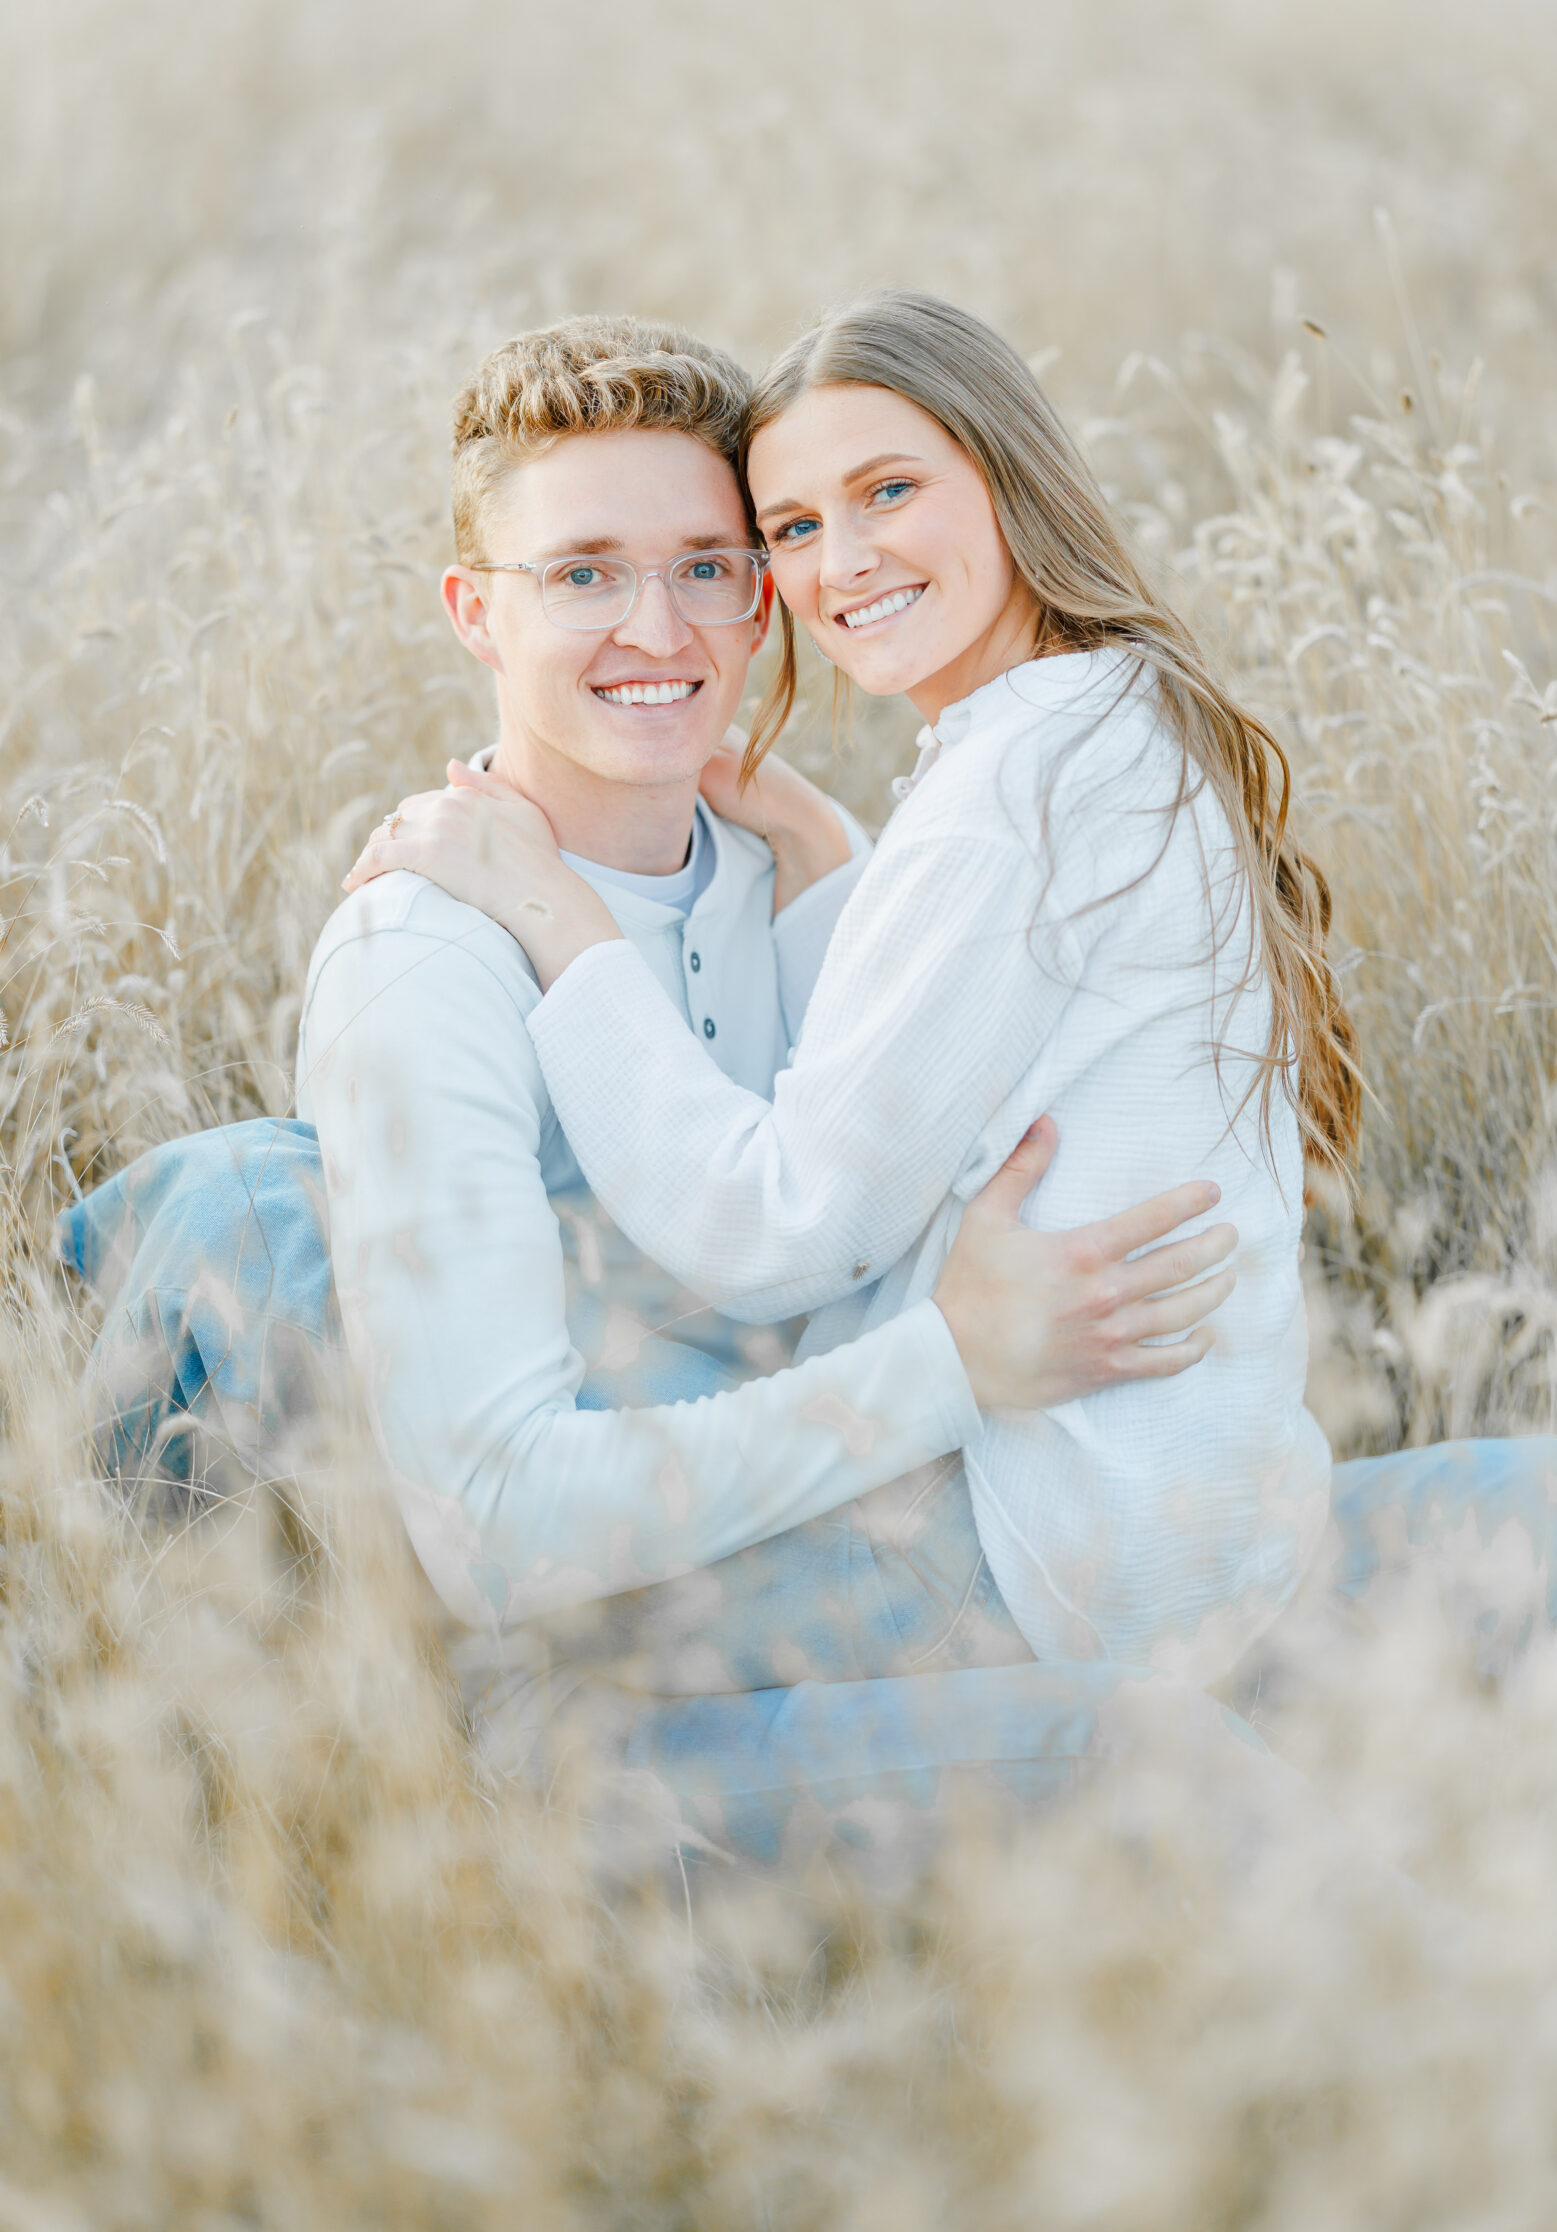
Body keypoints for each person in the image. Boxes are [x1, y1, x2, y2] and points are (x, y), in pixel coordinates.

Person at [62, 315, 1246, 1829]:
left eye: (705, 566)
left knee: (1487, 1531)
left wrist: (820, 848)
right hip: (598, 1729)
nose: (659, 629)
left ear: (767, 602)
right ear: (474, 614)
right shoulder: (431, 963)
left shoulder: (793, 882)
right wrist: (952, 1361)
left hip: (877, 1575)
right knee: (1166, 1753)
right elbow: (497, 1529)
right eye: (582, 575)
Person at [348, 291, 1358, 1686]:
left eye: (888, 491)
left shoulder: (1015, 787)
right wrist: (827, 853)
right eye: (800, 528)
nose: (846, 561)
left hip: (1062, 1543)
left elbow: (790, 1224)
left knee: (545, 1698)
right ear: (478, 614)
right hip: (1200, 1516)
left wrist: (554, 913)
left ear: (1010, 479)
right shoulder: (1101, 719)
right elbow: (934, 1068)